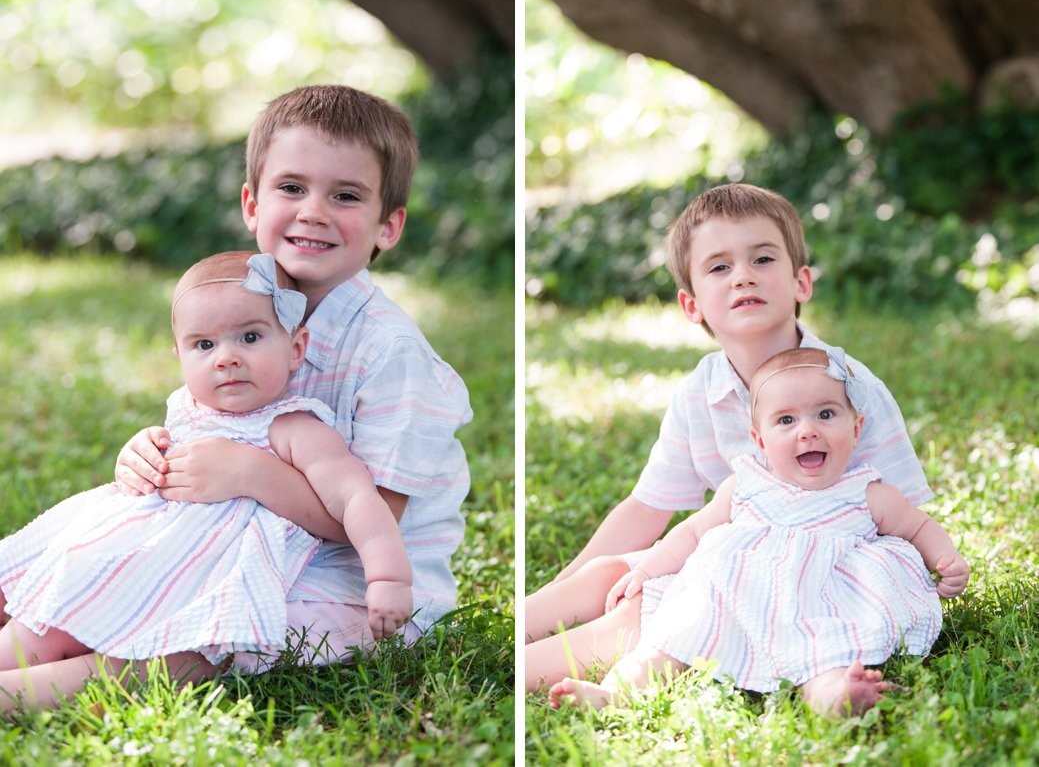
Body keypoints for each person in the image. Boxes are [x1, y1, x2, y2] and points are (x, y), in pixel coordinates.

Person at [115, 85, 472, 669]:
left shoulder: (392, 355)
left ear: (388, 225)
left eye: (347, 195)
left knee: (201, 640)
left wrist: (250, 473)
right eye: (291, 187)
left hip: (362, 590)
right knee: (114, 582)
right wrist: (150, 454)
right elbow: (210, 421)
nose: (313, 212)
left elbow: (367, 521)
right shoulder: (238, 308)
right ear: (252, 204)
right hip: (249, 552)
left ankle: (34, 688)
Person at [525, 183, 934, 692]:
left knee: (638, 613)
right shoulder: (702, 390)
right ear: (692, 304)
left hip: (816, 575)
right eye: (720, 267)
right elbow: (647, 508)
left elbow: (907, 513)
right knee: (612, 575)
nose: (743, 275)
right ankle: (512, 626)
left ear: (800, 282)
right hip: (732, 554)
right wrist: (573, 581)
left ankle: (520, 670)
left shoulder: (847, 386)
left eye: (762, 259)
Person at [0, 251, 413, 712]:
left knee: (114, 652)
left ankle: (16, 697)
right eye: (204, 346)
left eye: (250, 337)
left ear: (295, 348)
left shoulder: (293, 427)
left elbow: (355, 496)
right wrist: (141, 451)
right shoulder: (186, 410)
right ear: (179, 355)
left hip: (196, 577)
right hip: (125, 552)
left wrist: (388, 577)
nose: (227, 359)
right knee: (46, 615)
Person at [548, 347, 970, 715]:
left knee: (826, 656)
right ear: (759, 439)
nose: (808, 430)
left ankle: (836, 695)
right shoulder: (744, 483)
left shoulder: (867, 492)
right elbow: (693, 532)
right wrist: (646, 570)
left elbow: (918, 525)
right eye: (786, 420)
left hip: (820, 605)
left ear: (855, 428)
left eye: (826, 414)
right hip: (730, 601)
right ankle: (611, 693)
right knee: (666, 643)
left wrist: (946, 558)